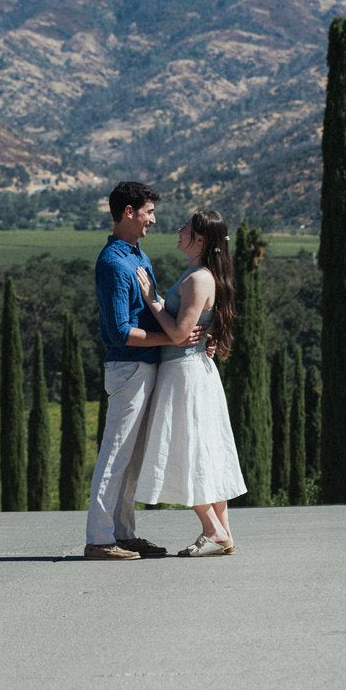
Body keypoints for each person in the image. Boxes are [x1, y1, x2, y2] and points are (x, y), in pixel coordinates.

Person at [84, 181, 202, 560]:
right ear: (129, 212)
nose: (153, 219)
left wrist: (192, 334)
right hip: (128, 368)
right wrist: (170, 340)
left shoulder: (137, 256)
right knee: (116, 452)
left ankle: (123, 533)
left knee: (132, 457)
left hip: (144, 367)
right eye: (148, 212)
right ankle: (100, 539)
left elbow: (157, 310)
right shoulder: (114, 263)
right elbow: (119, 331)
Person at [134, 208, 246, 556]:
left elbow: (181, 334)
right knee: (205, 452)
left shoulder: (198, 279)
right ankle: (222, 533)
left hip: (185, 374)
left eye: (186, 227)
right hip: (191, 372)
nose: (178, 230)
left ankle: (213, 531)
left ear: (200, 238)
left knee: (185, 449)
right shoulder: (198, 274)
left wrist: (153, 301)